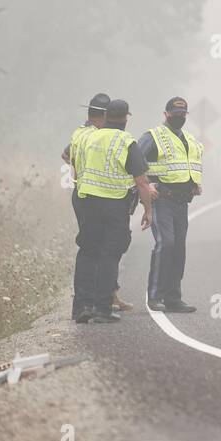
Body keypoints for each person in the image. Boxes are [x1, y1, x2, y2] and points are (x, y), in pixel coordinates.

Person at [73, 99, 156, 323]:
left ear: (106, 115)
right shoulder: (127, 142)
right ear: (126, 118)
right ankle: (102, 308)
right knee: (110, 255)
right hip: (114, 206)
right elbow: (141, 182)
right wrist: (148, 210)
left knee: (87, 252)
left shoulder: (89, 137)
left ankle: (81, 306)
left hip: (87, 202)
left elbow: (76, 165)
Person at [62, 93, 133, 313]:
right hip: (97, 196)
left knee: (91, 247)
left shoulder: (81, 134)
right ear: (104, 115)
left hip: (83, 193)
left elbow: (65, 155)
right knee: (104, 248)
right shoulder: (98, 136)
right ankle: (99, 299)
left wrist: (81, 171)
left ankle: (94, 299)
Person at [136, 96, 202, 313]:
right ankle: (155, 296)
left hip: (181, 202)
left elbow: (189, 165)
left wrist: (194, 184)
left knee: (178, 249)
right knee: (166, 244)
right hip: (161, 200)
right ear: (166, 114)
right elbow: (133, 163)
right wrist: (146, 188)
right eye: (175, 114)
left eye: (183, 114)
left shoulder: (189, 139)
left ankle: (174, 297)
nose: (179, 118)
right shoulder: (152, 136)